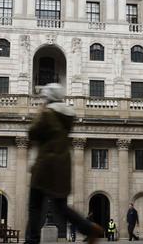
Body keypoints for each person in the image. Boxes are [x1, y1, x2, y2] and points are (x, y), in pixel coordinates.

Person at [24, 84, 103, 244]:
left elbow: (32, 132)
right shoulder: (66, 115)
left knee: (34, 206)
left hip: (45, 164)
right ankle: (88, 228)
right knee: (61, 206)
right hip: (62, 165)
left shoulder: (47, 113)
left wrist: (41, 110)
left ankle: (32, 241)